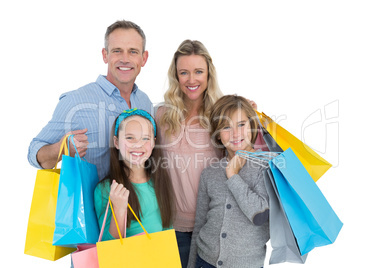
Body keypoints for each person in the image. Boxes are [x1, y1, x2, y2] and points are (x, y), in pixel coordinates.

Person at [27, 20, 152, 180]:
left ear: (144, 58)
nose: (125, 59)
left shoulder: (145, 102)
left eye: (133, 51)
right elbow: (33, 152)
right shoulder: (76, 102)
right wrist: (61, 149)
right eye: (117, 51)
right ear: (105, 55)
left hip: (137, 203)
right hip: (90, 204)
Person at [155, 40, 224, 267]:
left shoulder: (222, 115)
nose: (191, 80)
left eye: (198, 72)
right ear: (176, 76)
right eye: (184, 72)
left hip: (214, 228)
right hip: (169, 228)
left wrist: (247, 114)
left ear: (208, 74)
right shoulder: (161, 115)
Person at [188, 95, 270, 268]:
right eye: (226, 127)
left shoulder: (266, 168)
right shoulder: (209, 174)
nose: (235, 133)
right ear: (218, 135)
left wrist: (233, 176)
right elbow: (200, 225)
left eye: (241, 124)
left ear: (252, 125)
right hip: (204, 261)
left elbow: (260, 215)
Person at [94, 108, 175, 240]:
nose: (138, 145)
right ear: (116, 142)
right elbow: (108, 247)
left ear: (154, 143)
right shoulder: (106, 189)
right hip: (127, 260)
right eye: (130, 138)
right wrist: (119, 209)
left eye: (145, 138)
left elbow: (168, 230)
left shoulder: (160, 182)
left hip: (159, 259)